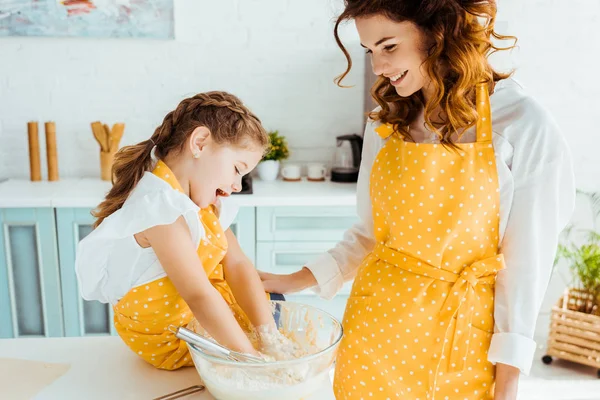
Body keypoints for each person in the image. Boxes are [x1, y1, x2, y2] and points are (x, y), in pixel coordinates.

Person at [259, 1, 576, 398]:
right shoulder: (386, 120)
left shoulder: (522, 125)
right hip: (371, 338)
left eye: (389, 46)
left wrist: (508, 382)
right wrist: (294, 279)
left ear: (438, 31)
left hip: (460, 347)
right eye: (369, 50)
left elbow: (525, 265)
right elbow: (371, 235)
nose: (378, 67)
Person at [76, 91, 281, 370]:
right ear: (199, 143)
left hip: (197, 322)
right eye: (237, 169)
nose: (237, 185)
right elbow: (199, 295)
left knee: (274, 311)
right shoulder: (160, 209)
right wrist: (252, 360)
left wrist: (269, 337)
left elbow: (237, 264)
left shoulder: (198, 199)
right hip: (171, 341)